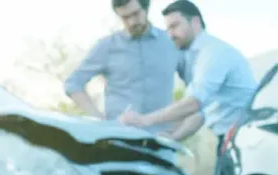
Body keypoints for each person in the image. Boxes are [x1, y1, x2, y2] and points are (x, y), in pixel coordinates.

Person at [119, 0, 258, 153]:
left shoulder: (213, 53)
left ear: (195, 22)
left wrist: (143, 120)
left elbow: (193, 103)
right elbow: (199, 113)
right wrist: (173, 137)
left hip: (246, 139)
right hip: (231, 139)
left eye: (175, 26)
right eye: (168, 29)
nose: (170, 35)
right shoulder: (196, 57)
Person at [63, 0, 184, 134]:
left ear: (146, 8)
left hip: (162, 141)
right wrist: (98, 119)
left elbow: (196, 87)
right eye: (125, 17)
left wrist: (178, 127)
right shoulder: (108, 46)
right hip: (118, 138)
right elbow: (73, 83)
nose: (132, 22)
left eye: (135, 14)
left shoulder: (171, 42)